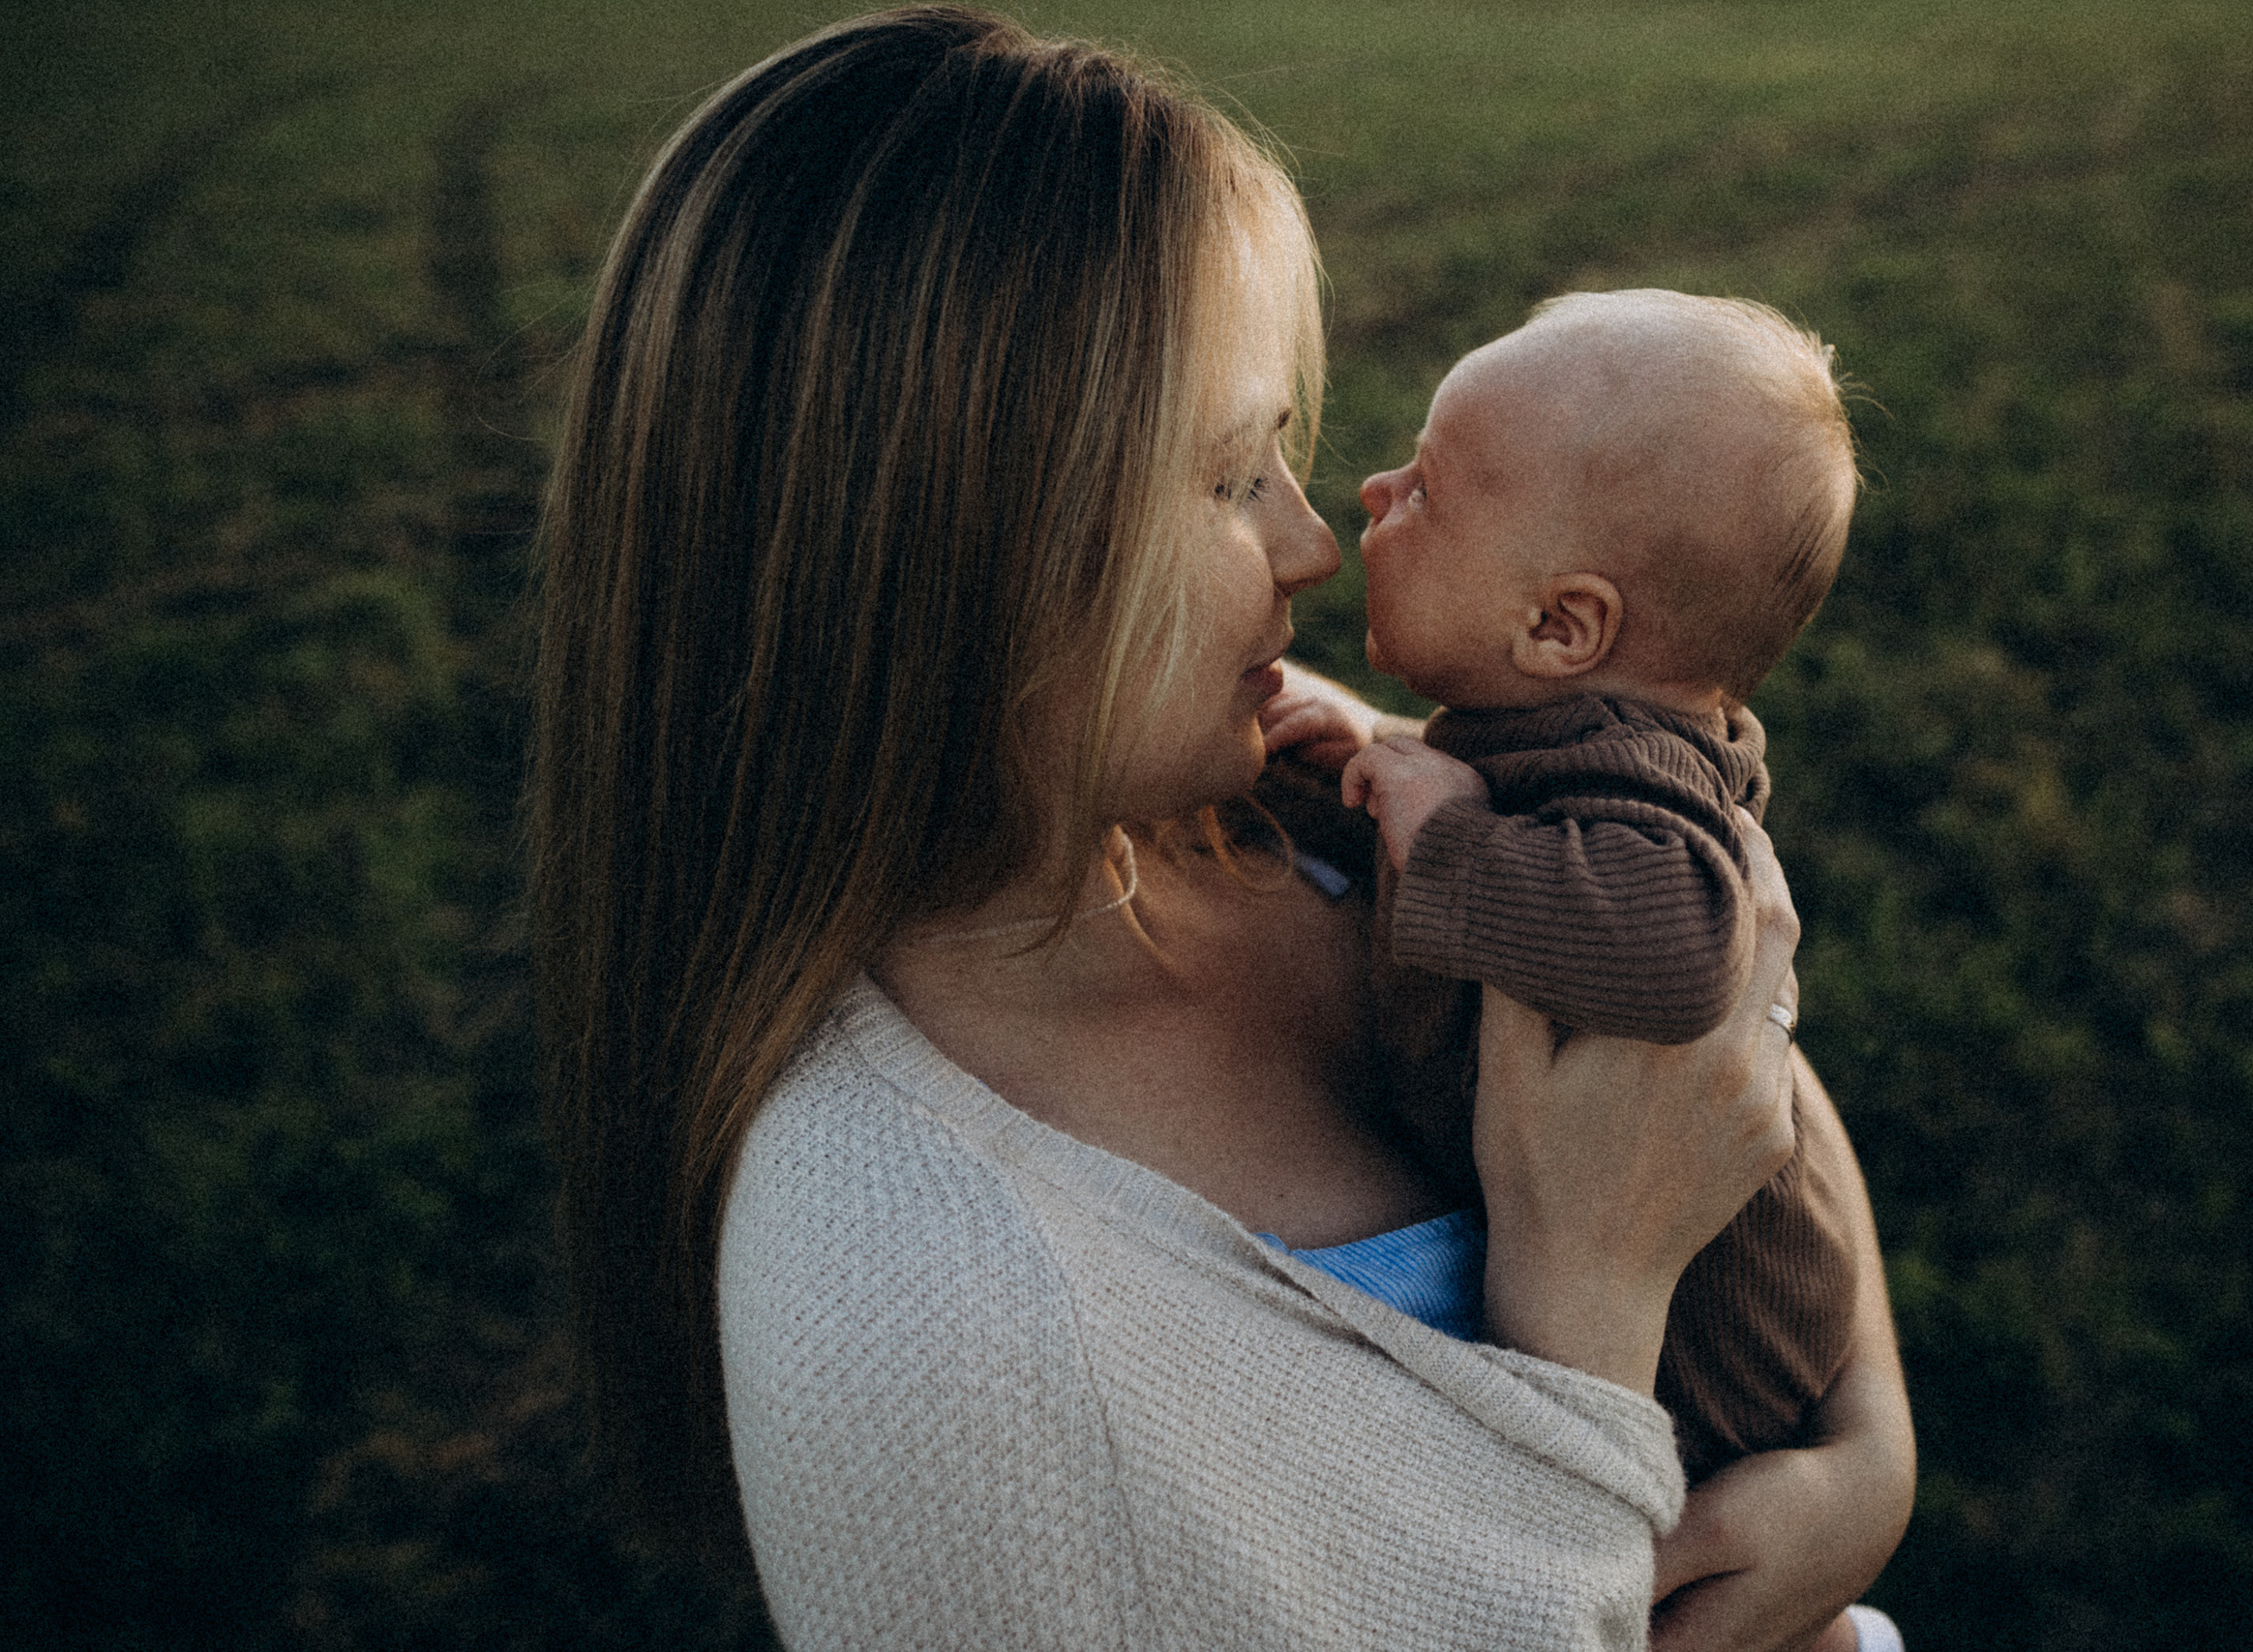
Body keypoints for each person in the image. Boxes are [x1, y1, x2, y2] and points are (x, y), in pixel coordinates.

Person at [529, 8, 1913, 1649]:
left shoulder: (1264, 776)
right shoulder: (921, 1308)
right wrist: (1590, 1302)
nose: (1315, 542)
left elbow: (1743, 1036)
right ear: (960, 552)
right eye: (1232, 476)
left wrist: (1862, 1466)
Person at [1264, 292, 1866, 1498]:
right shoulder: (1558, 735)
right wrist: (1374, 746)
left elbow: (1680, 946)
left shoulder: (1634, 775)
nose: (1376, 492)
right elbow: (1508, 806)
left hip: (1706, 1354)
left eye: (1427, 490)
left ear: (1557, 626)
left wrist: (1437, 831)